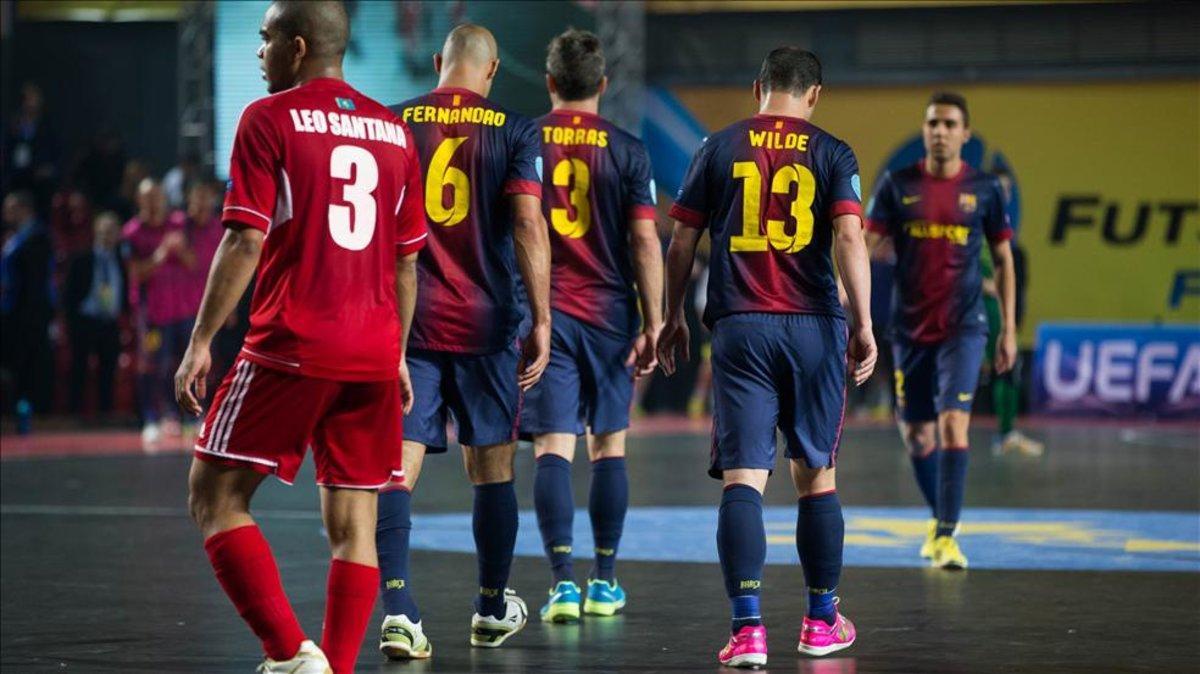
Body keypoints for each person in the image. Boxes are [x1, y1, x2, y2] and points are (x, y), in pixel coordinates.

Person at [173, 2, 427, 672]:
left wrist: (201, 339)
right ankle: (335, 668)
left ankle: (289, 654)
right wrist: (397, 353)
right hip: (373, 352)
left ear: (297, 45)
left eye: (264, 40)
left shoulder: (268, 119)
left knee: (214, 495)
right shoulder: (395, 133)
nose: (259, 53)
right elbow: (407, 262)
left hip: (293, 343)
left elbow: (244, 236)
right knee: (356, 526)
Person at [659, 48, 876, 667]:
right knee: (817, 476)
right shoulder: (834, 151)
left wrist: (671, 315)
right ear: (814, 95)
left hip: (741, 327)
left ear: (759, 87)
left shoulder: (718, 146)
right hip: (813, 328)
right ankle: (820, 620)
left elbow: (682, 239)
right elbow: (850, 237)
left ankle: (748, 630)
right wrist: (863, 325)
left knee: (743, 479)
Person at [375, 23, 551, 658]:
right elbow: (529, 225)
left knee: (397, 466)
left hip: (408, 327)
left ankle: (399, 610)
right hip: (486, 325)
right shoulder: (515, 128)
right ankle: (490, 607)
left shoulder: (392, 123)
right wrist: (543, 319)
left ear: (435, 62)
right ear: (494, 70)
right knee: (492, 468)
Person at [519, 28, 662, 624]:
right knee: (608, 446)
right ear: (603, 84)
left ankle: (561, 585)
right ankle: (604, 580)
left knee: (553, 447)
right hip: (608, 316)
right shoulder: (628, 150)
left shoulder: (523, 138)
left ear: (550, 82)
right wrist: (655, 321)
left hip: (543, 315)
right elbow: (645, 240)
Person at [864, 92, 1017, 570]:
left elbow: (1005, 259)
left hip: (964, 327)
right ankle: (939, 522)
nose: (940, 131)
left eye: (950, 124)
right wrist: (851, 309)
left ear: (965, 134)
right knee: (917, 438)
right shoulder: (896, 185)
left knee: (953, 424)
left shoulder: (985, 189)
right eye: (933, 123)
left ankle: (947, 534)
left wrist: (1009, 329)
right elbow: (862, 248)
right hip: (908, 329)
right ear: (925, 129)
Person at [123, 178, 195, 446]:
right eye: (148, 197)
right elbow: (135, 273)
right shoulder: (132, 232)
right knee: (153, 365)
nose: (154, 202)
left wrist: (182, 249)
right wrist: (161, 254)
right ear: (140, 201)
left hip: (183, 309)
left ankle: (187, 418)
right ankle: (152, 419)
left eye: (158, 196)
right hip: (152, 313)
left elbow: (193, 263)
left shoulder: (178, 223)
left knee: (187, 364)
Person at [986, 167, 1042, 456]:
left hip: (1000, 311)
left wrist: (1013, 313)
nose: (1003, 194)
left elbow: (1010, 271)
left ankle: (1006, 433)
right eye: (999, 187)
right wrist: (988, 285)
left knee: (1007, 370)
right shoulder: (975, 219)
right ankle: (926, 438)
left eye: (1007, 189)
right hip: (975, 311)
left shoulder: (1004, 227)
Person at [0, 190, 55, 427]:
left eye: (11, 208)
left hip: (30, 315)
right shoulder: (15, 236)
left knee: (30, 366)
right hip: (13, 313)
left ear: (24, 209)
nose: (6, 214)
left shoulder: (37, 238)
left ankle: (30, 414)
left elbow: (34, 281)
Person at [65, 211, 127, 416]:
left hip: (110, 322)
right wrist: (71, 321)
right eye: (103, 230)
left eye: (112, 231)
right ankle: (74, 414)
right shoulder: (82, 258)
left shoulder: (122, 260)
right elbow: (68, 293)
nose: (107, 235)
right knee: (79, 369)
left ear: (118, 234)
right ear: (95, 231)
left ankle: (105, 415)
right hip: (85, 320)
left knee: (108, 371)